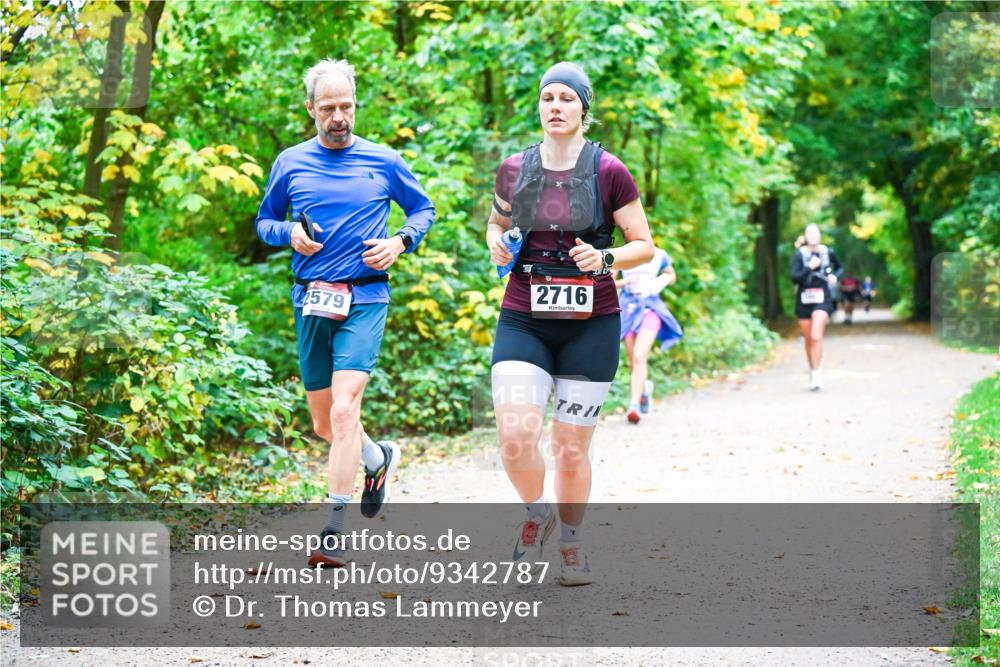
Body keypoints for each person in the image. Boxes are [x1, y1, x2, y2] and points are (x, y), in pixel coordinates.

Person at [255, 59, 435, 567]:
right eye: (329, 108)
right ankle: (377, 458)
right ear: (311, 109)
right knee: (323, 423)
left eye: (347, 107)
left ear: (356, 105)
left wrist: (400, 241)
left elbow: (423, 209)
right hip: (311, 297)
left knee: (344, 408)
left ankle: (333, 529)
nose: (339, 117)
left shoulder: (383, 160)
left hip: (366, 296)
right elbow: (265, 222)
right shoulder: (291, 162)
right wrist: (288, 232)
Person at [486, 62, 655, 586]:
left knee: (570, 447)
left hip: (591, 322)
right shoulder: (514, 168)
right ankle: (538, 512)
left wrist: (605, 259)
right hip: (525, 316)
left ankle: (572, 547)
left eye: (566, 98)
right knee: (515, 436)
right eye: (547, 98)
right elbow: (496, 223)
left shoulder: (610, 171)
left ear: (584, 108)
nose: (555, 107)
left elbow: (644, 246)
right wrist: (495, 243)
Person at [615, 247, 683, 423]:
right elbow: (609, 282)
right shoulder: (621, 254)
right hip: (629, 309)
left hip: (650, 307)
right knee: (633, 360)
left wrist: (658, 283)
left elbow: (671, 275)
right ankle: (644, 389)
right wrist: (626, 282)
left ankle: (634, 406)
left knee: (639, 356)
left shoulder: (659, 254)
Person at [791, 223, 842, 391]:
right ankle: (813, 372)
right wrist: (809, 267)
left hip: (822, 298)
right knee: (808, 339)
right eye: (809, 233)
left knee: (816, 335)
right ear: (805, 236)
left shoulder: (828, 252)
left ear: (819, 235)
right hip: (804, 299)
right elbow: (795, 277)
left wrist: (835, 276)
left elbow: (840, 268)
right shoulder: (799, 254)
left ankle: (818, 373)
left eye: (815, 232)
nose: (812, 235)